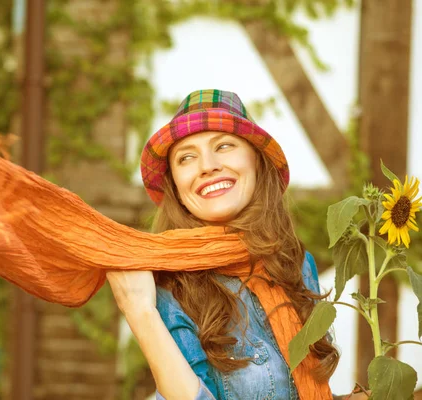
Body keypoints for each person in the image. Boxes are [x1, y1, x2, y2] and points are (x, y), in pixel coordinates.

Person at [106, 89, 368, 400]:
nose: (207, 165)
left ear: (256, 163)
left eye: (224, 145)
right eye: (186, 156)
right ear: (175, 186)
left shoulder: (296, 265)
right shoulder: (169, 285)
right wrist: (139, 313)